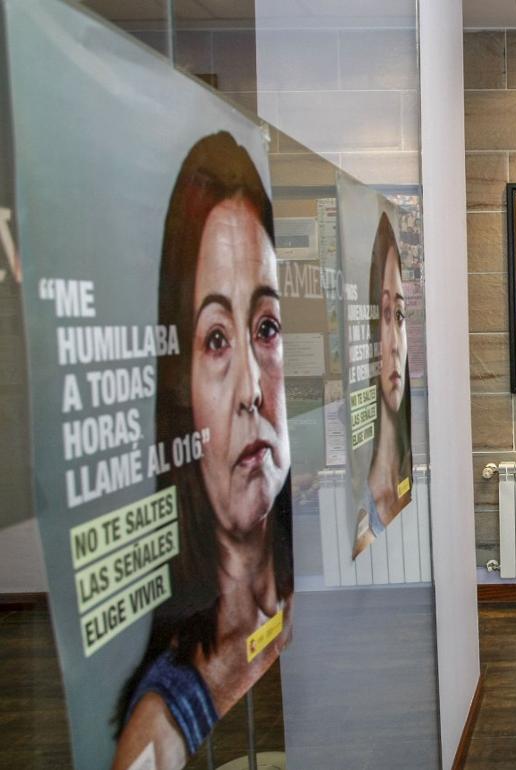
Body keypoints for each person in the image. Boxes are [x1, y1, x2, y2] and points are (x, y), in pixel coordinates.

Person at [113, 132, 294, 770]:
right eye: (215, 340)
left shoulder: (294, 606)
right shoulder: (157, 735)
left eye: (266, 328)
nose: (251, 388)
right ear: (179, 390)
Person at [351, 212, 414, 558]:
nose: (392, 342)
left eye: (399, 316)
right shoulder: (363, 507)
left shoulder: (403, 480)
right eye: (381, 316)